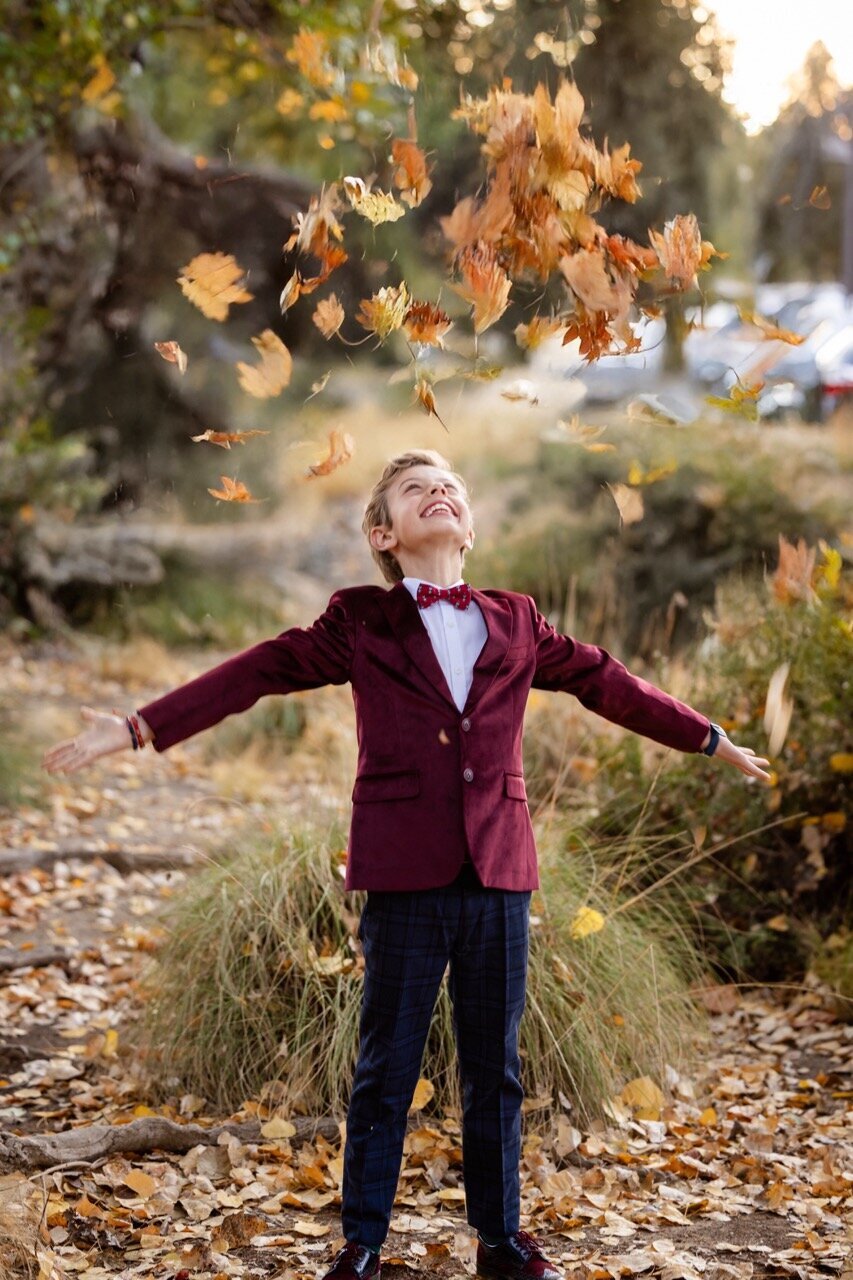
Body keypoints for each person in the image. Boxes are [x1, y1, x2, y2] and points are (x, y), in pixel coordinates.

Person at [41, 448, 771, 1280]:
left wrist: (705, 736)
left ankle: (500, 1241)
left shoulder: (518, 617)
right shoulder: (359, 619)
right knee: (385, 1063)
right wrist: (137, 727)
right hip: (402, 874)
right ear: (386, 534)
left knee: (494, 1068)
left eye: (450, 486)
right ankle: (362, 1244)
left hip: (498, 870)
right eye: (416, 490)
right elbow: (257, 671)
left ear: (470, 524)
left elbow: (606, 680)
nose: (440, 493)